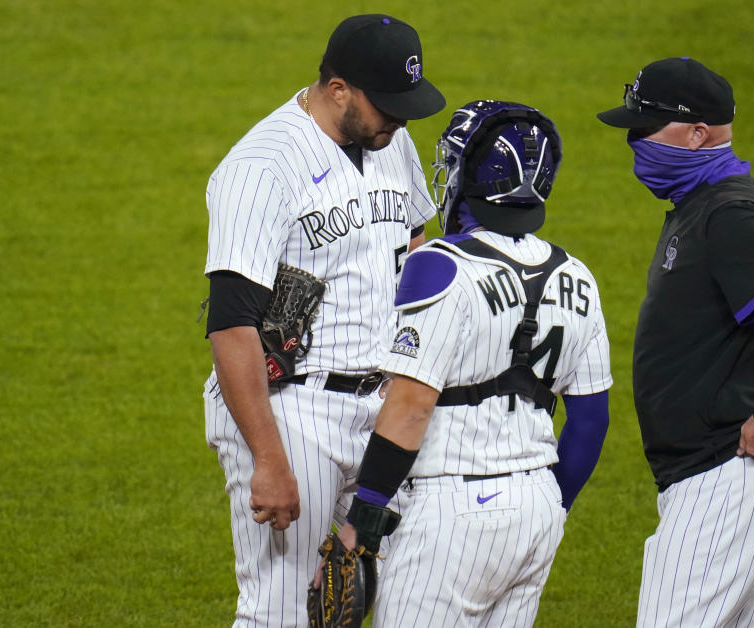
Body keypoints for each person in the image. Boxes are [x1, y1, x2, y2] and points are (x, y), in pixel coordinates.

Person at [201, 14, 445, 626]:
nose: (400, 120)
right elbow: (231, 328)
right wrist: (267, 459)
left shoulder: (391, 142)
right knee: (282, 611)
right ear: (338, 89)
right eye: (386, 105)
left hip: (384, 409)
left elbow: (415, 245)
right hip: (293, 411)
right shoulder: (261, 167)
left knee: (389, 601)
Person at [331, 100, 613, 626]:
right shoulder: (578, 276)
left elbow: (411, 406)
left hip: (452, 513)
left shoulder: (437, 265)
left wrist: (363, 517)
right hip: (538, 508)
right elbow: (591, 421)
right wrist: (552, 504)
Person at [596, 57, 754, 627]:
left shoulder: (729, 211)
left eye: (646, 128)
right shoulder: (701, 205)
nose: (635, 142)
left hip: (729, 472)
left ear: (698, 133)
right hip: (714, 475)